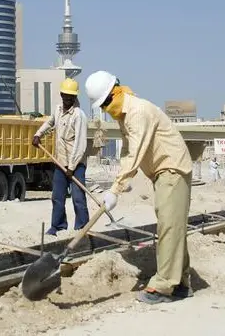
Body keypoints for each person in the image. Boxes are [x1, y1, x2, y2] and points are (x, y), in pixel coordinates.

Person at [85, 70, 193, 304]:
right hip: (162, 172)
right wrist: (117, 185)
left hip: (172, 168)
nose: (105, 109)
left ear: (116, 91)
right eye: (102, 106)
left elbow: (136, 153)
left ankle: (164, 286)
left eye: (106, 102)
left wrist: (116, 189)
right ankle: (182, 283)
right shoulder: (125, 116)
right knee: (172, 226)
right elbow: (126, 153)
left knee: (168, 226)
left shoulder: (138, 112)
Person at [32, 78, 89, 236]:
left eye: (71, 96)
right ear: (61, 94)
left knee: (78, 197)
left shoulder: (79, 115)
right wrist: (38, 134)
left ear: (75, 97)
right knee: (57, 197)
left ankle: (82, 227)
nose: (68, 98)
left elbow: (80, 144)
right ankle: (58, 226)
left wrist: (71, 167)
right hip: (60, 162)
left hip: (76, 165)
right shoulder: (57, 110)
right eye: (65, 95)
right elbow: (50, 123)